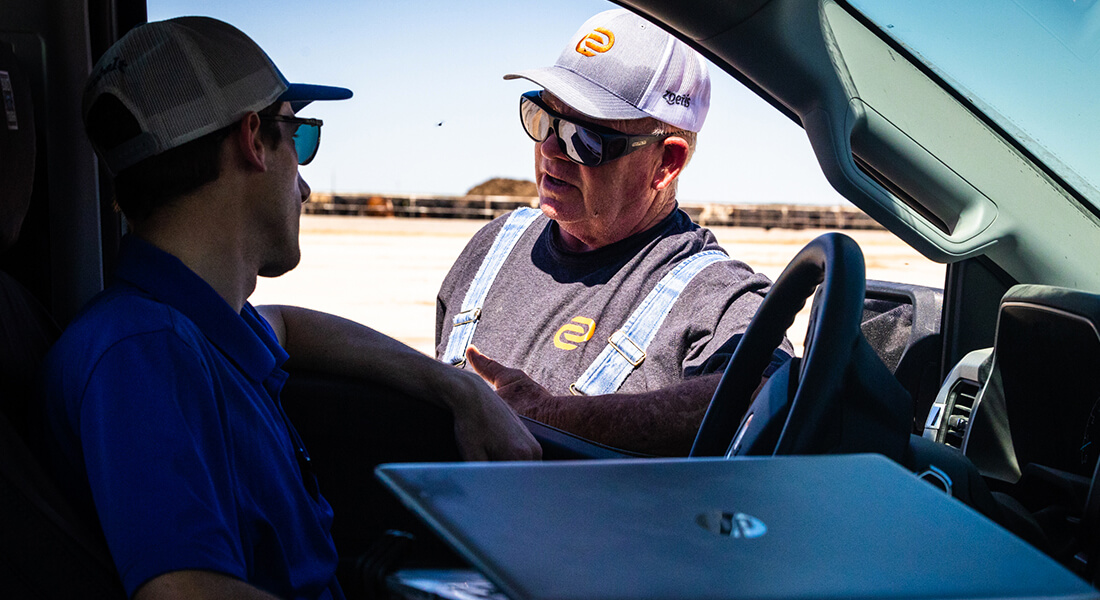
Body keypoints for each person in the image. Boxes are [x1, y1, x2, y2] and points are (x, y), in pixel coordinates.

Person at [41, 17, 539, 600]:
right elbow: (183, 592)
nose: (303, 188)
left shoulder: (202, 324)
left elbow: (288, 324)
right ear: (253, 139)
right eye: (299, 136)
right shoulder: (143, 352)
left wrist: (460, 390)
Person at [436, 9, 792, 457]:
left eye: (584, 138)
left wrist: (549, 417)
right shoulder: (492, 248)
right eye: (542, 117)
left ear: (667, 163)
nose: (548, 150)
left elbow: (763, 394)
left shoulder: (714, 295)